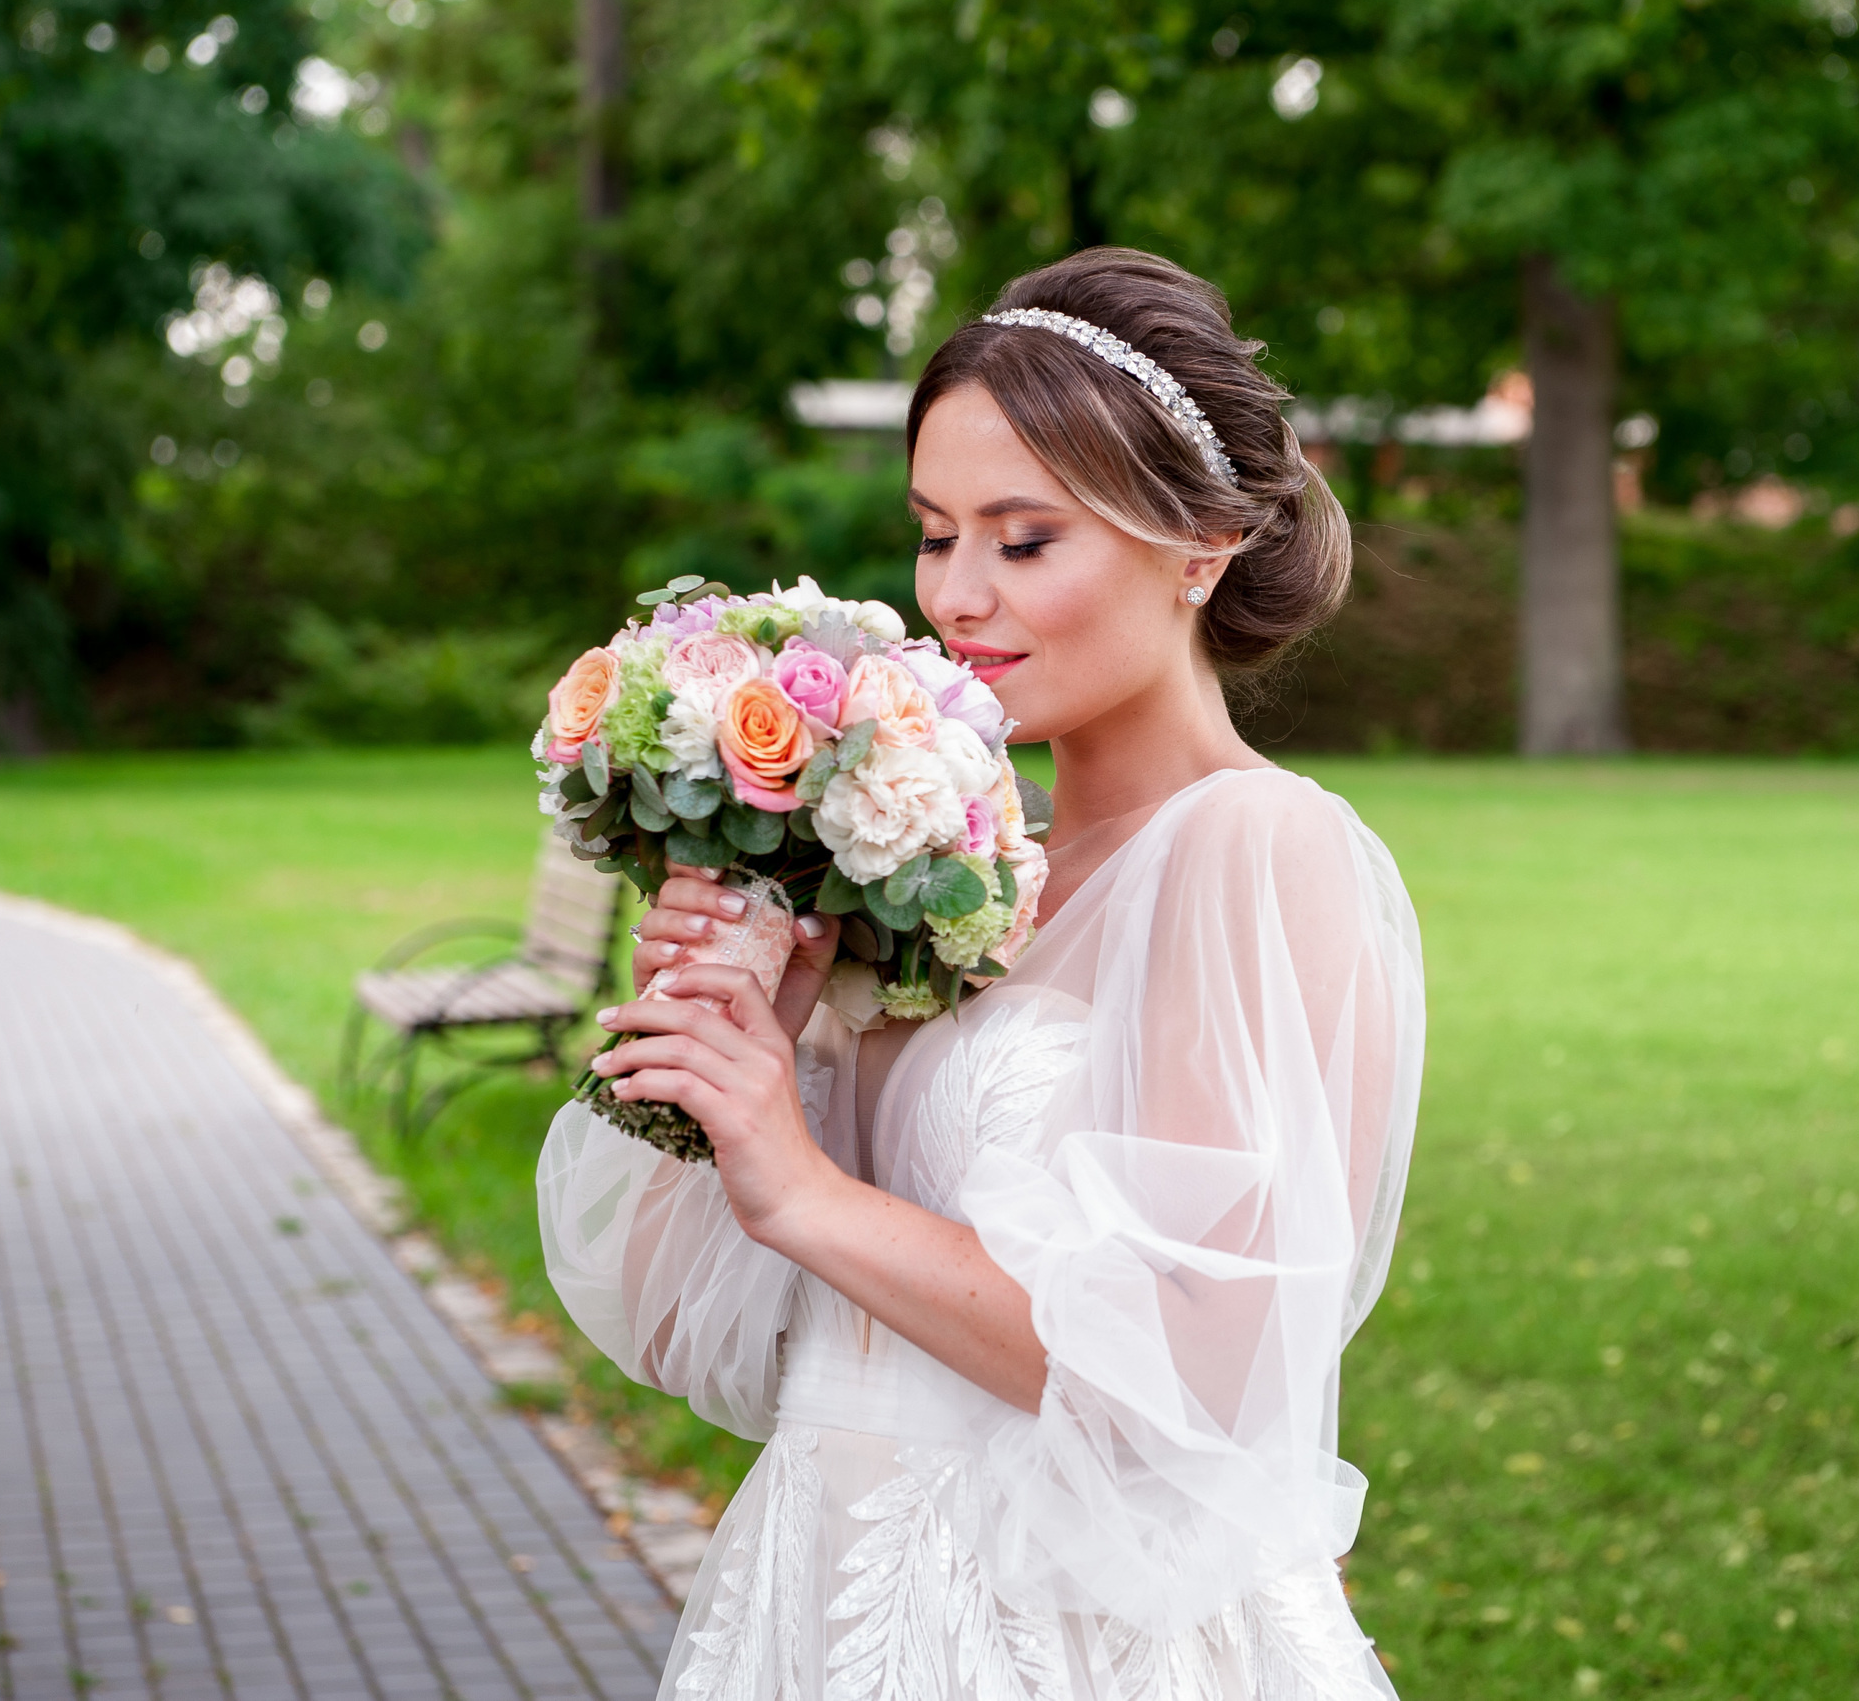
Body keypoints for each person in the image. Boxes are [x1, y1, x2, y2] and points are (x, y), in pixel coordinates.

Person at [539, 246, 1425, 1700]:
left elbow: (1197, 1382)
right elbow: (686, 1312)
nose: (957, 594)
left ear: (1197, 549)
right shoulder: (945, 872)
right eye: (935, 534)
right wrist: (726, 1047)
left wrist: (805, 1186)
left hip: (1072, 1641)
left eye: (1025, 541)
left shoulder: (1254, 851)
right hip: (818, 1593)